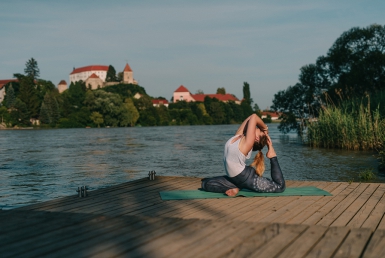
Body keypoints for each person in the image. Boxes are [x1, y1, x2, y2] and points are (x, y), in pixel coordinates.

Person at [201, 114, 285, 196]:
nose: (257, 127)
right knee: (205, 184)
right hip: (235, 178)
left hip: (247, 178)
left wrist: (264, 128)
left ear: (256, 138)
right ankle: (237, 187)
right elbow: (250, 118)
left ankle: (272, 156)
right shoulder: (239, 136)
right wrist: (264, 129)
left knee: (279, 186)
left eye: (258, 129)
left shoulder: (248, 143)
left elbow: (254, 117)